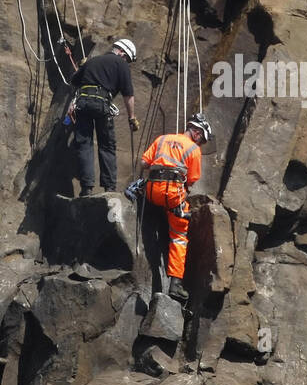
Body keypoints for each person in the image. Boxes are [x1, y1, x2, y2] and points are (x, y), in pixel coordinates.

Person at [139, 114, 212, 303]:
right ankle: (176, 285)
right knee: (179, 235)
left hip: (151, 190)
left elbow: (144, 163)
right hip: (171, 194)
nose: (201, 143)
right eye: (202, 139)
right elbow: (193, 179)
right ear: (196, 132)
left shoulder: (162, 138)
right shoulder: (193, 149)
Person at [68, 39, 139, 195]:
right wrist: (131, 117)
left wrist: (83, 67)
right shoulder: (121, 65)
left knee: (84, 144)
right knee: (106, 145)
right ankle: (109, 188)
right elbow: (128, 95)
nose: (126, 61)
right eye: (126, 57)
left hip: (83, 103)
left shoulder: (92, 61)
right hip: (101, 104)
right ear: (122, 52)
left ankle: (86, 188)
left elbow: (74, 80)